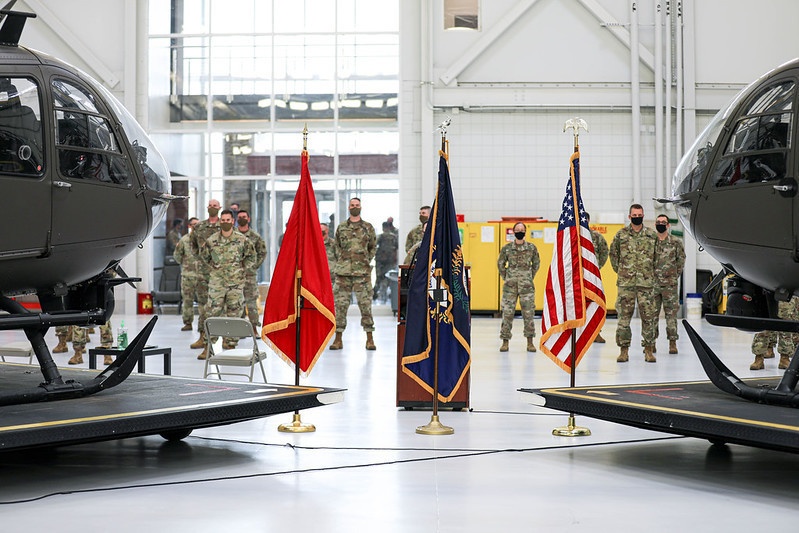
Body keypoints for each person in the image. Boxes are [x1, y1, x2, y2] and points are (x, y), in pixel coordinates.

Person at [198, 209, 257, 359]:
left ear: (233, 221)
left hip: (235, 284)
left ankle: (230, 344)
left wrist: (242, 269)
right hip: (217, 283)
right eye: (222, 220)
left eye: (228, 220)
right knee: (211, 313)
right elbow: (204, 257)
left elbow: (252, 257)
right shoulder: (212, 240)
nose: (225, 222)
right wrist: (215, 269)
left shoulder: (242, 239)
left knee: (234, 313)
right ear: (220, 222)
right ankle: (208, 346)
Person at [609, 203, 658, 363]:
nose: (638, 218)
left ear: (643, 215)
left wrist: (650, 274)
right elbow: (613, 255)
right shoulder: (621, 235)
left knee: (648, 318)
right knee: (624, 318)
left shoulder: (651, 235)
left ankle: (649, 350)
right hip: (626, 284)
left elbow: (658, 258)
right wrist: (623, 272)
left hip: (646, 284)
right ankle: (624, 351)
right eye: (634, 215)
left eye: (640, 215)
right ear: (629, 217)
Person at [330, 197, 377, 350]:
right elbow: (337, 247)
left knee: (365, 305)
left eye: (357, 205)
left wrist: (364, 261)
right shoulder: (341, 227)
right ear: (349, 207)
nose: (355, 207)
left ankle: (369, 338)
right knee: (340, 306)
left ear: (361, 207)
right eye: (352, 205)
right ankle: (338, 338)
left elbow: (373, 247)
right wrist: (342, 262)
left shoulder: (368, 227)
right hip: (343, 274)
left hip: (362, 273)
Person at [496, 222, 540, 352]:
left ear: (525, 231)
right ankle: (505, 342)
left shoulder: (531, 248)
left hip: (527, 286)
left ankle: (530, 342)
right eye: (517, 229)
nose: (519, 231)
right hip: (510, 286)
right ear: (514, 231)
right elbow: (500, 264)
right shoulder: (507, 248)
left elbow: (536, 264)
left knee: (529, 314)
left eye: (522, 229)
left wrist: (528, 276)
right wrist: (508, 277)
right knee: (507, 314)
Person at [189, 198, 222, 351]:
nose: (212, 207)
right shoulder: (200, 227)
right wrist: (200, 261)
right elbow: (193, 246)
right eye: (210, 205)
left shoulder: (224, 226)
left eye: (215, 206)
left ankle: (221, 339)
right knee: (203, 307)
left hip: (220, 273)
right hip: (203, 273)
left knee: (218, 307)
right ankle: (202, 336)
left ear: (219, 208)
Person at [653, 214, 686, 354]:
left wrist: (673, 275)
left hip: (670, 285)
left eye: (663, 222)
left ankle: (672, 343)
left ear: (668, 225)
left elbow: (681, 260)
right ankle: (651, 343)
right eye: (658, 222)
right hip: (653, 285)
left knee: (671, 315)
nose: (661, 224)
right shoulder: (650, 242)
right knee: (651, 315)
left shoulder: (675, 242)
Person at [236, 209, 267, 333]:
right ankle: (239, 328)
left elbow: (262, 252)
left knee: (251, 301)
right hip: (234, 275)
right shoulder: (232, 235)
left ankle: (254, 327)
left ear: (248, 219)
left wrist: (254, 266)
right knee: (236, 302)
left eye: (244, 216)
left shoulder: (255, 236)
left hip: (250, 275)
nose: (241, 219)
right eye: (239, 217)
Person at [750, 297, 799, 370]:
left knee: (786, 322)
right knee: (764, 322)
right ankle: (759, 357)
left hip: (786, 292)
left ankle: (784, 358)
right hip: (767, 292)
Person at [173, 217, 200, 331]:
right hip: (188, 276)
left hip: (202, 277)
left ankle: (203, 325)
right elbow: (177, 256)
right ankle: (188, 322)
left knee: (204, 302)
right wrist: (186, 265)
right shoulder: (184, 240)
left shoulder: (205, 240)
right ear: (189, 226)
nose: (195, 226)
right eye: (193, 224)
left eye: (197, 224)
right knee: (187, 301)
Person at [586, 212, 609, 343]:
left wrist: (596, 267)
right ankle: (576, 333)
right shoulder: (572, 236)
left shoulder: (596, 237)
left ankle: (596, 333)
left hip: (592, 277)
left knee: (594, 304)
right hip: (575, 277)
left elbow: (605, 252)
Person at [374, 221, 398, 301]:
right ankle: (387, 295)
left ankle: (376, 293)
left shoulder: (380, 236)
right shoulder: (394, 237)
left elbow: (374, 246)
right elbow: (396, 249)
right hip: (390, 261)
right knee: (388, 278)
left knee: (379, 277)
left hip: (380, 261)